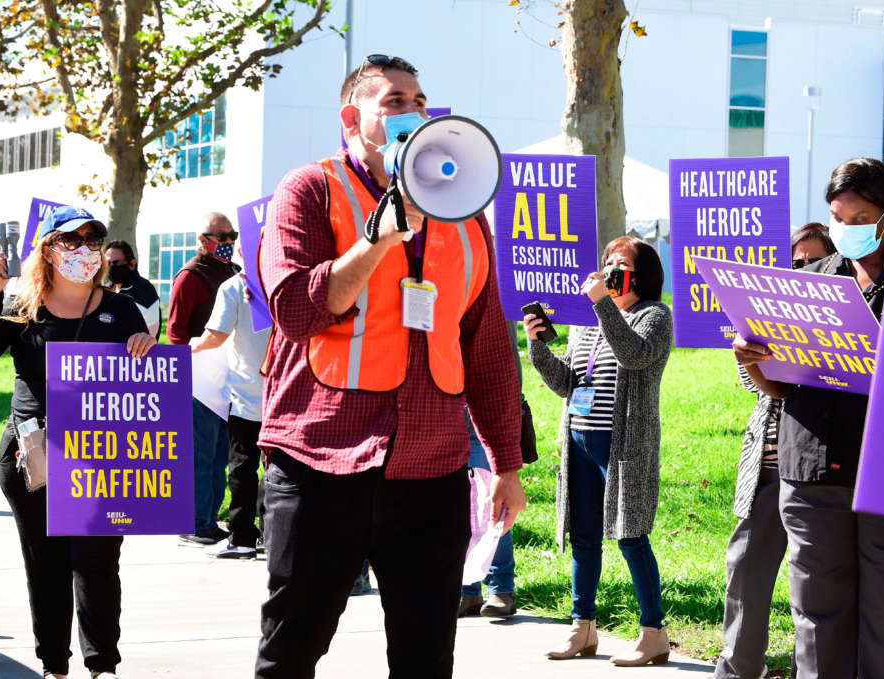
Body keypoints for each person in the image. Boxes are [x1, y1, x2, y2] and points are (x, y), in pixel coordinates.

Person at [254, 54, 525, 679]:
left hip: (431, 468)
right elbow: (296, 310)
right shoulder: (310, 189)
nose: (413, 112)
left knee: (426, 656)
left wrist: (506, 465)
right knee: (292, 650)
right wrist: (379, 238)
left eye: (419, 100)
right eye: (395, 102)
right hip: (321, 461)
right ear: (354, 119)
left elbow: (486, 351)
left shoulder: (466, 215)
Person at [733, 158, 884, 679]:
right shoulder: (804, 283)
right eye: (836, 217)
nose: (845, 229)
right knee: (816, 624)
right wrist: (752, 363)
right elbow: (783, 387)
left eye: (859, 217)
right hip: (812, 474)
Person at [0, 206, 156, 679]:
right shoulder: (21, 306)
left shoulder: (121, 307)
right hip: (34, 455)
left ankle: (102, 665)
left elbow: (142, 385)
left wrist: (146, 351)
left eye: (92, 240)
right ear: (47, 249)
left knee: (98, 560)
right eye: (73, 240)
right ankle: (54, 666)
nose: (85, 249)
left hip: (100, 458)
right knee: (44, 562)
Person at [526, 236, 673, 667]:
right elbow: (565, 383)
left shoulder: (654, 316)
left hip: (623, 445)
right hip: (579, 441)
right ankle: (582, 628)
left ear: (641, 273)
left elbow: (633, 355)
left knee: (630, 536)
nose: (610, 268)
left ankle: (653, 632)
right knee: (584, 538)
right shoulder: (588, 323)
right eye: (607, 260)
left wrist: (602, 306)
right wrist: (538, 346)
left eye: (620, 263)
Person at [714, 222, 835, 679]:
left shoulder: (849, 318)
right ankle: (739, 669)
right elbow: (754, 385)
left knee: (813, 589)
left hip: (816, 472)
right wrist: (748, 356)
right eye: (797, 261)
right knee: (745, 570)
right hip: (765, 466)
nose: (805, 267)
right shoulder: (772, 314)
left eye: (814, 259)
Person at [189, 272, 270, 559]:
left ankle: (243, 537)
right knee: (276, 469)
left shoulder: (235, 286)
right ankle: (271, 535)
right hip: (287, 393)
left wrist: (192, 346)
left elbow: (217, 335)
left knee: (242, 467)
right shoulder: (291, 275)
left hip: (247, 393)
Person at [169, 212, 239, 545]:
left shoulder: (233, 274)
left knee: (219, 454)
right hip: (199, 379)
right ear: (203, 240)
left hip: (228, 378)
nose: (227, 243)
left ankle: (209, 518)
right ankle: (195, 521)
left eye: (232, 236)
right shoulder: (190, 276)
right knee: (200, 454)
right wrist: (186, 372)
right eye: (221, 237)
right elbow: (176, 333)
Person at [458, 320, 524, 618]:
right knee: (459, 509)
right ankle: (467, 591)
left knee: (493, 507)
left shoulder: (491, 295)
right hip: (446, 417)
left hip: (483, 424)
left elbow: (506, 362)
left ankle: (501, 588)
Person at [103, 240, 160, 337]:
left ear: (132, 264)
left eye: (116, 263)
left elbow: (149, 332)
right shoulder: (108, 288)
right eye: (108, 263)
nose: (111, 267)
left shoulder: (144, 289)